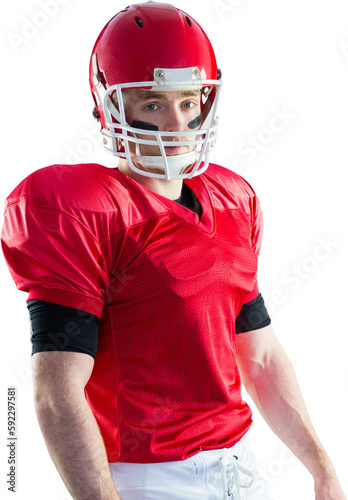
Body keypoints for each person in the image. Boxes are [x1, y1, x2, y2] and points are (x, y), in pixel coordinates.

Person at [1, 2, 346, 499]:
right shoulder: (86, 208)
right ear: (113, 106)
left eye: (187, 102)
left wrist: (322, 466)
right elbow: (56, 394)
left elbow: (261, 355)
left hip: (240, 468)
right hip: (147, 479)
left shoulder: (232, 198)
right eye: (153, 104)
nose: (176, 123)